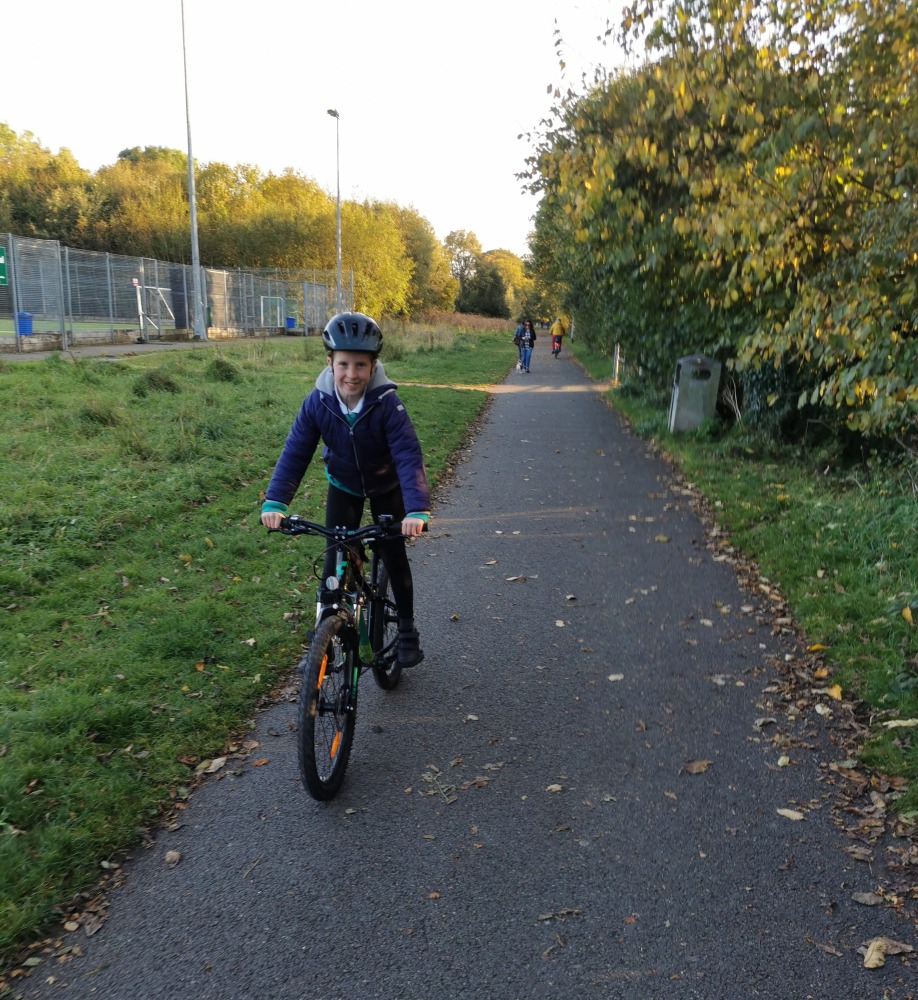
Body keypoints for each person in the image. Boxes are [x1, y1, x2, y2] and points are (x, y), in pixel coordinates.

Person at [259, 312, 429, 668]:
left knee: (393, 551)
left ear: (374, 365)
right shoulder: (317, 403)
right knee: (335, 556)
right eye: (344, 364)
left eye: (361, 365)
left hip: (387, 485)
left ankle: (408, 631)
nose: (352, 374)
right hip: (344, 484)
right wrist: (276, 500)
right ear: (330, 363)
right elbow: (296, 450)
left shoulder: (387, 404)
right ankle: (324, 637)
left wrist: (415, 509)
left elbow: (406, 453)